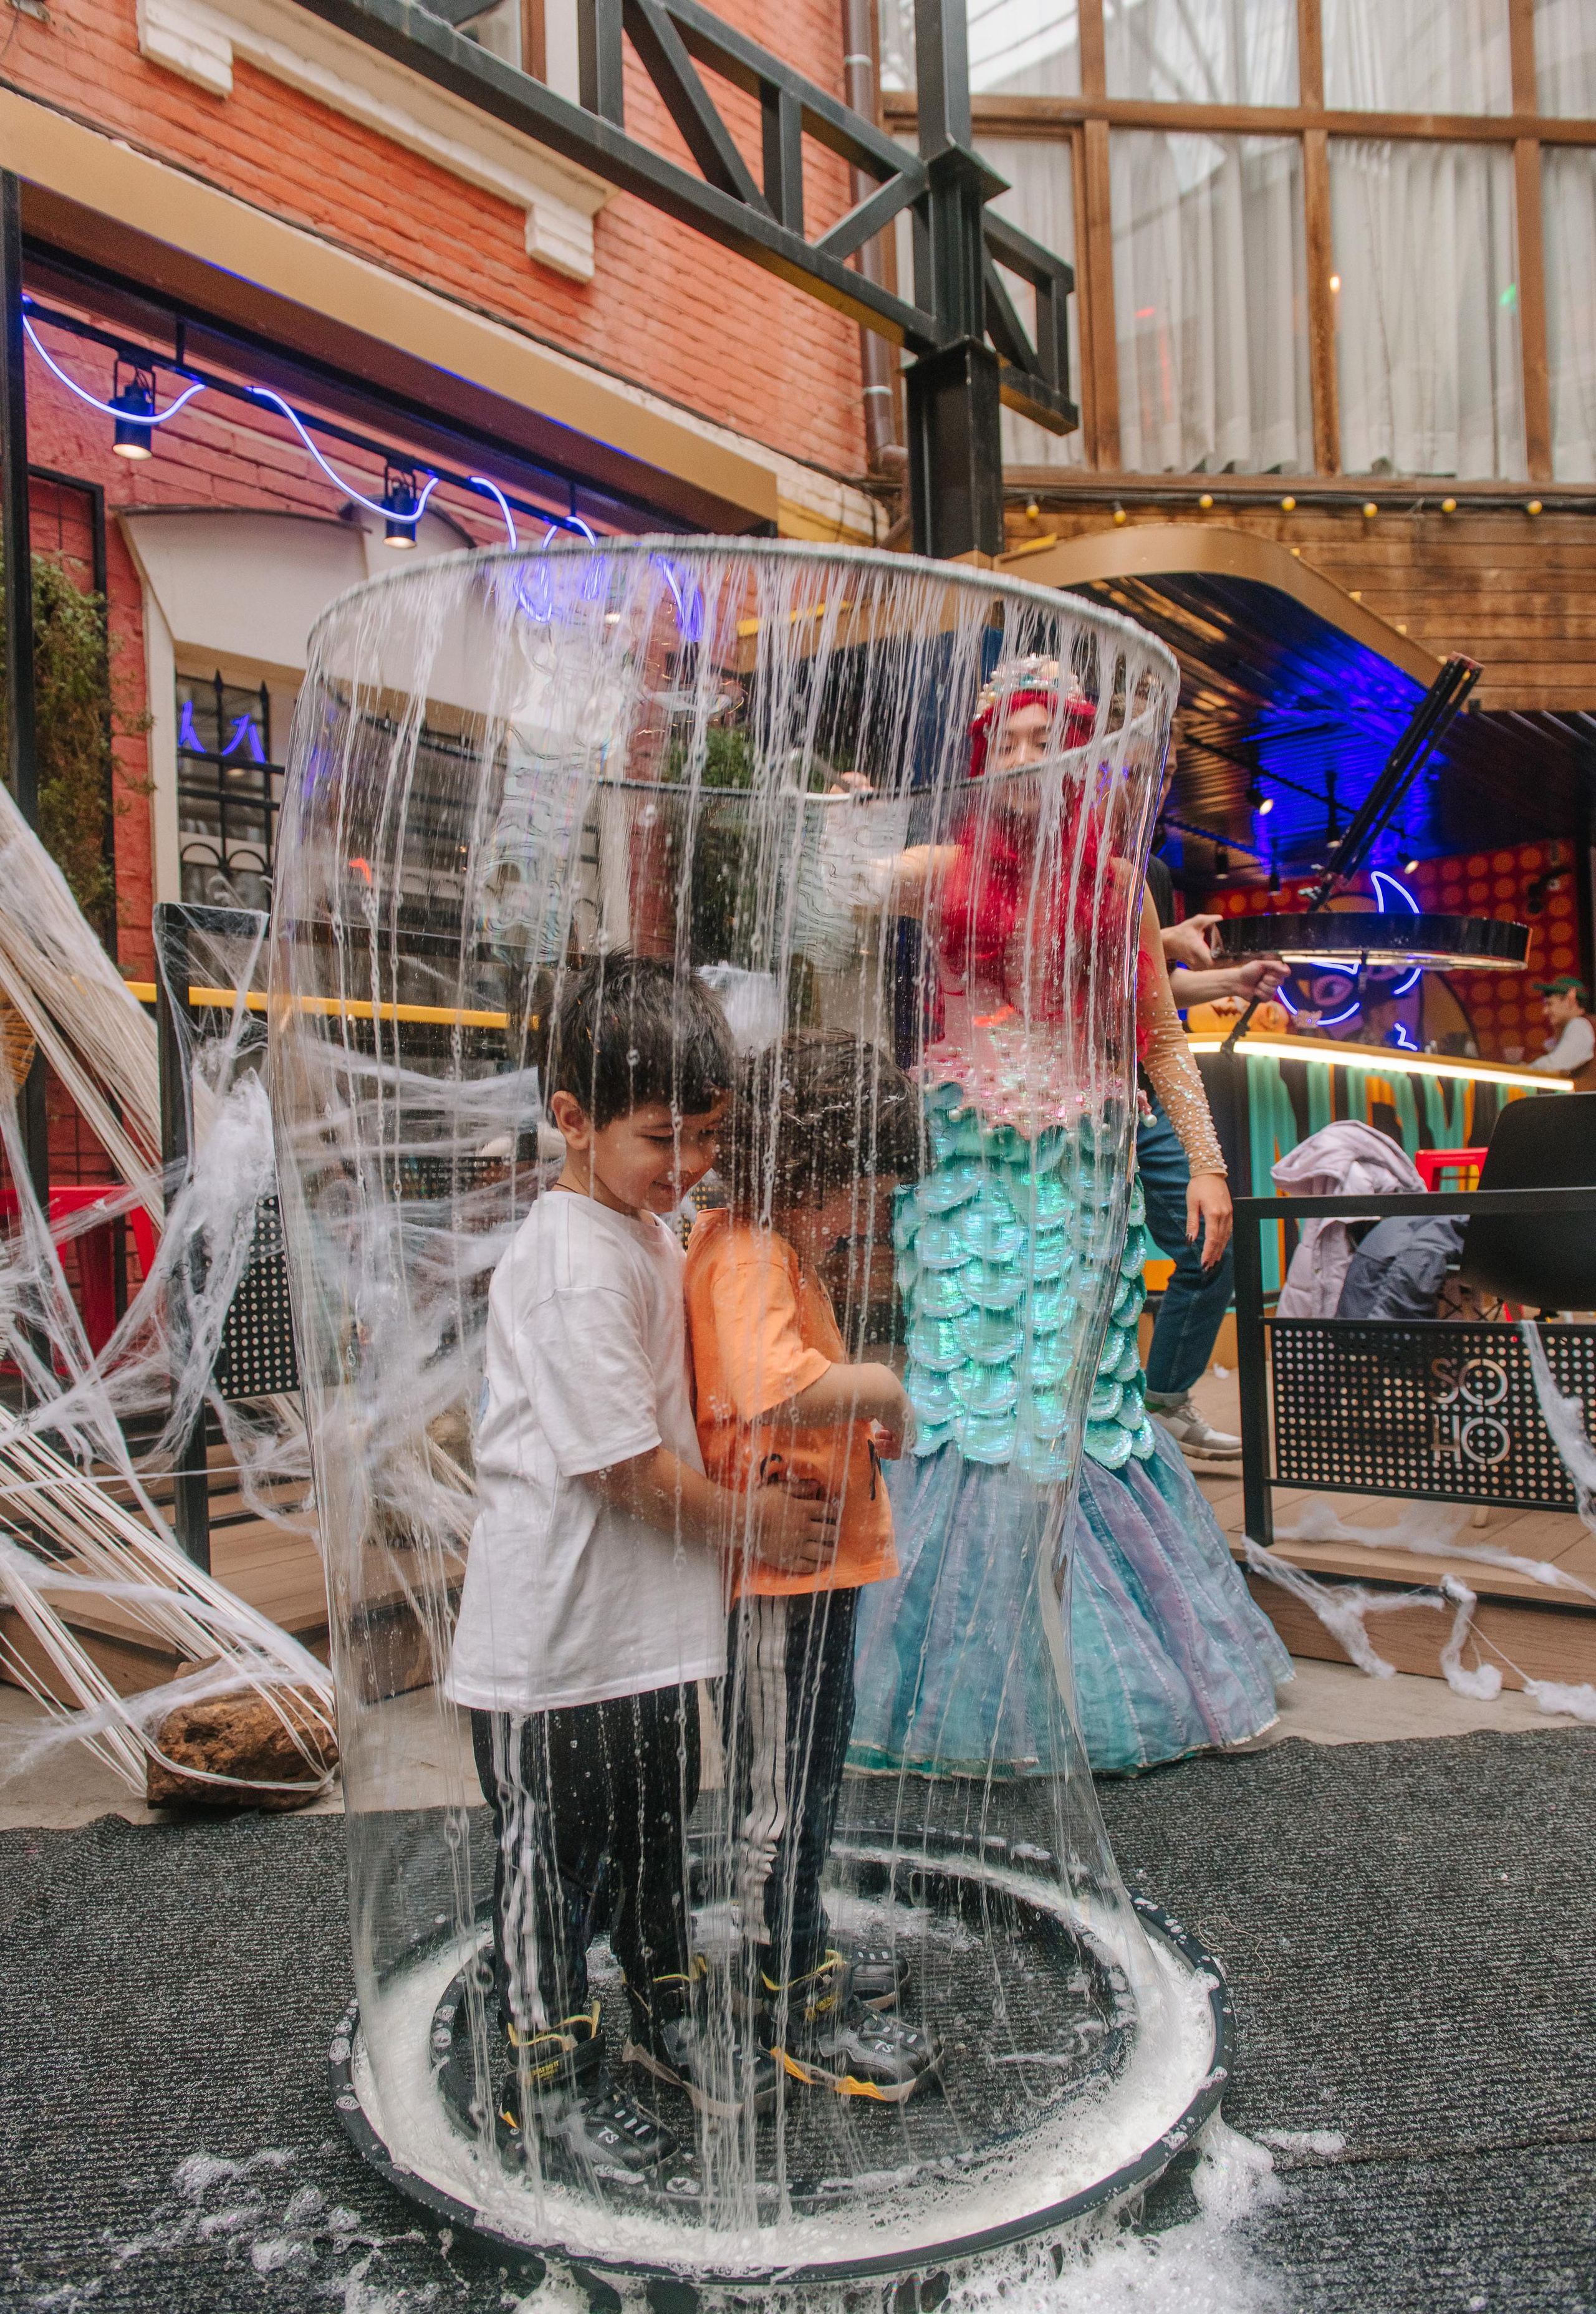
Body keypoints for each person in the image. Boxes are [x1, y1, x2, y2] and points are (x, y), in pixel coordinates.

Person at [850, 658, 1292, 1779]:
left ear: (1086, 758)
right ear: (980, 758)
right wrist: (835, 827)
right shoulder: (939, 869)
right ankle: (960, 1678)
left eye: (1050, 739)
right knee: (967, 1393)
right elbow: (826, 896)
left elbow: (1158, 1040)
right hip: (969, 1176)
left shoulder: (1118, 887)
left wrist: (1204, 1165)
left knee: (1084, 1400)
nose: (1028, 757)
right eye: (1008, 739)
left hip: (1084, 1170)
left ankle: (1105, 1662)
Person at [446, 954, 832, 2179]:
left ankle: (665, 2004)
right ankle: (541, 2079)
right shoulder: (566, 1259)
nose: (689, 1165)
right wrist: (748, 1525)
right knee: (547, 1878)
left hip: (645, 1633)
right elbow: (618, 1466)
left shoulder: (647, 1225)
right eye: (661, 1138)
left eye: (707, 1137)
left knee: (660, 1836)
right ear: (569, 1122)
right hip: (553, 1646)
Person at [685, 1031, 940, 2101]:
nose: (861, 1222)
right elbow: (768, 1383)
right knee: (782, 1794)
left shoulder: (770, 1251)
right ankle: (782, 1989)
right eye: (857, 1195)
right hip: (781, 1586)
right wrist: (874, 1389)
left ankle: (799, 1945)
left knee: (806, 1780)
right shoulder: (745, 1250)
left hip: (813, 1572)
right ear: (804, 1170)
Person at [1141, 814, 1286, 1458]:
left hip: (1138, 1094)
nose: (1151, 779)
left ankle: (1163, 1402)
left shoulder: (1147, 872)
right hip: (1037, 1107)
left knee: (1210, 1250)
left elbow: (1151, 996)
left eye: (1167, 767)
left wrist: (1233, 981)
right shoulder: (1018, 856)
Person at [1536, 976, 1596, 1078]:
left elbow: (1555, 1065)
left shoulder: (1579, 1025)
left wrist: (1523, 1070)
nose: (1545, 1011)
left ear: (1570, 1001)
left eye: (1550, 1004)